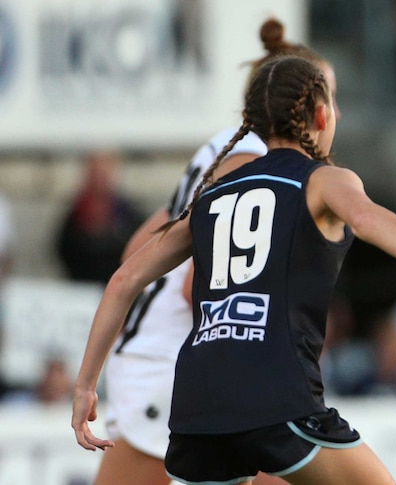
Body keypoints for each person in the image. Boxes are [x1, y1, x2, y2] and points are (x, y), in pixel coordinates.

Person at [73, 55, 396, 485]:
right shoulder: (323, 179)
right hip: (275, 397)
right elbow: (371, 220)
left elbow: (124, 279)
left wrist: (86, 387)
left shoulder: (211, 195)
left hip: (197, 411)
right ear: (320, 116)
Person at [89, 18, 339, 485]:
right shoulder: (257, 166)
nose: (336, 113)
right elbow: (196, 287)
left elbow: (137, 248)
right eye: (330, 97)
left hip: (148, 357)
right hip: (174, 364)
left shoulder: (222, 149)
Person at [56, 150, 146, 284]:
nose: (100, 179)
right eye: (95, 173)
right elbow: (62, 249)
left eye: (104, 173)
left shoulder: (128, 214)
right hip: (82, 286)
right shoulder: (76, 213)